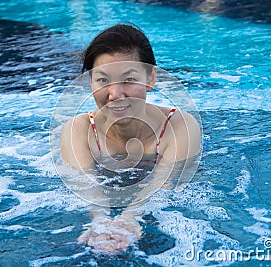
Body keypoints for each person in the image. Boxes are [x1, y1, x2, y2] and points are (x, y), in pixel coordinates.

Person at [61, 24, 201, 253]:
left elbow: (164, 183)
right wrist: (99, 221)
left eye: (128, 79)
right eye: (103, 81)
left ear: (151, 78)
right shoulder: (79, 130)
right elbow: (85, 188)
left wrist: (129, 218)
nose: (115, 94)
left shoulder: (179, 126)